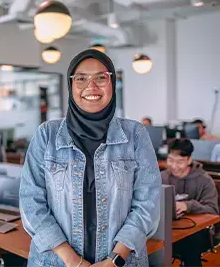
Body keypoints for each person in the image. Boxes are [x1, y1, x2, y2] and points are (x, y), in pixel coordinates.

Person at [20, 49, 161, 267]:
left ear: (112, 83)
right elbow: (31, 202)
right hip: (55, 262)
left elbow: (147, 205)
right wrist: (73, 261)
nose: (91, 87)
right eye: (81, 78)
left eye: (101, 78)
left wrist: (114, 260)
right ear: (70, 85)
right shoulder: (47, 134)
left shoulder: (135, 134)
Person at [161, 139, 219, 267]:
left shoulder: (204, 180)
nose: (174, 166)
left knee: (190, 244)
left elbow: (213, 210)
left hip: (198, 232)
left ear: (189, 160)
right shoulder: (162, 176)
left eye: (180, 162)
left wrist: (188, 206)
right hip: (168, 226)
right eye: (170, 160)